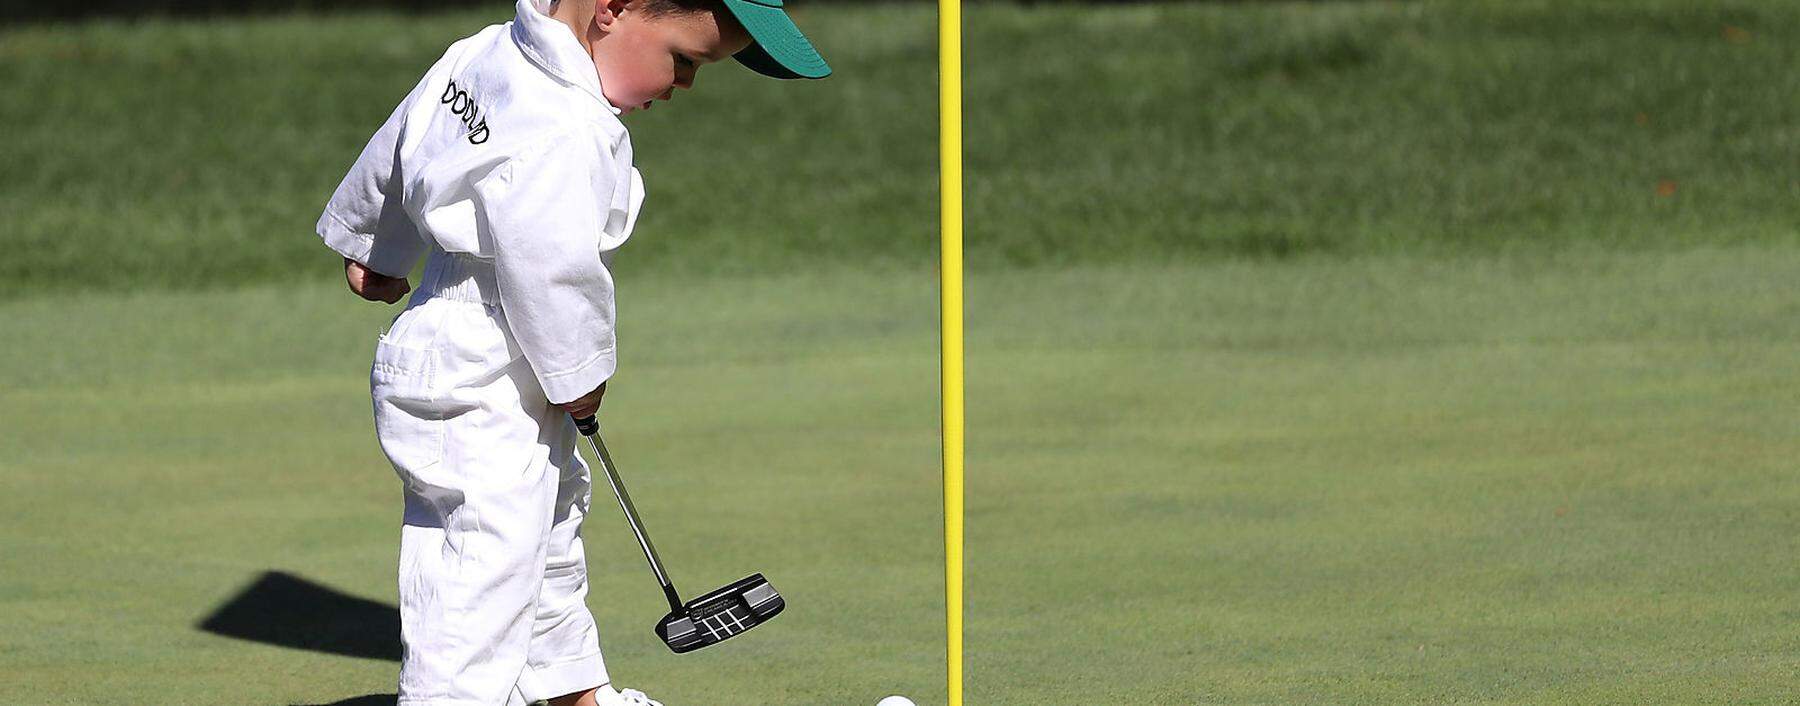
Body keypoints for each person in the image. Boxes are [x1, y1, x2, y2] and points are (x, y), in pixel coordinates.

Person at [315, 0, 829, 702]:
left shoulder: (488, 51)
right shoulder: (571, 126)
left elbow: (410, 133)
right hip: (486, 360)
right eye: (683, 60)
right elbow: (551, 268)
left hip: (456, 339)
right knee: (484, 566)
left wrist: (376, 242)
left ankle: (575, 697)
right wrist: (579, 376)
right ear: (614, 9)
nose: (684, 86)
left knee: (547, 525)